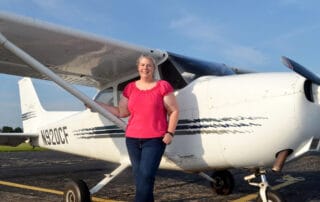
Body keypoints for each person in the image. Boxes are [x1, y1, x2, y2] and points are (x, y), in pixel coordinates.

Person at [97, 54, 179, 202]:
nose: (145, 68)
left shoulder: (163, 86)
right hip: (132, 139)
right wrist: (98, 105)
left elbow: (173, 111)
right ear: (138, 67)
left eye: (148, 65)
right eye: (142, 65)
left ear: (154, 68)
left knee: (146, 175)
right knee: (141, 178)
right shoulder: (130, 88)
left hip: (155, 139)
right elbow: (122, 112)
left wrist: (170, 133)